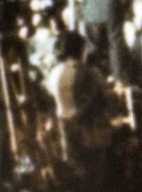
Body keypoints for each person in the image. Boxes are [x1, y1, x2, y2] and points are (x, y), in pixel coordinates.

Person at [47, 31, 112, 192]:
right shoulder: (91, 73)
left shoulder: (54, 73)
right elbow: (104, 101)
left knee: (70, 177)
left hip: (64, 131)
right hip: (88, 134)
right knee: (92, 179)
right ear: (81, 50)